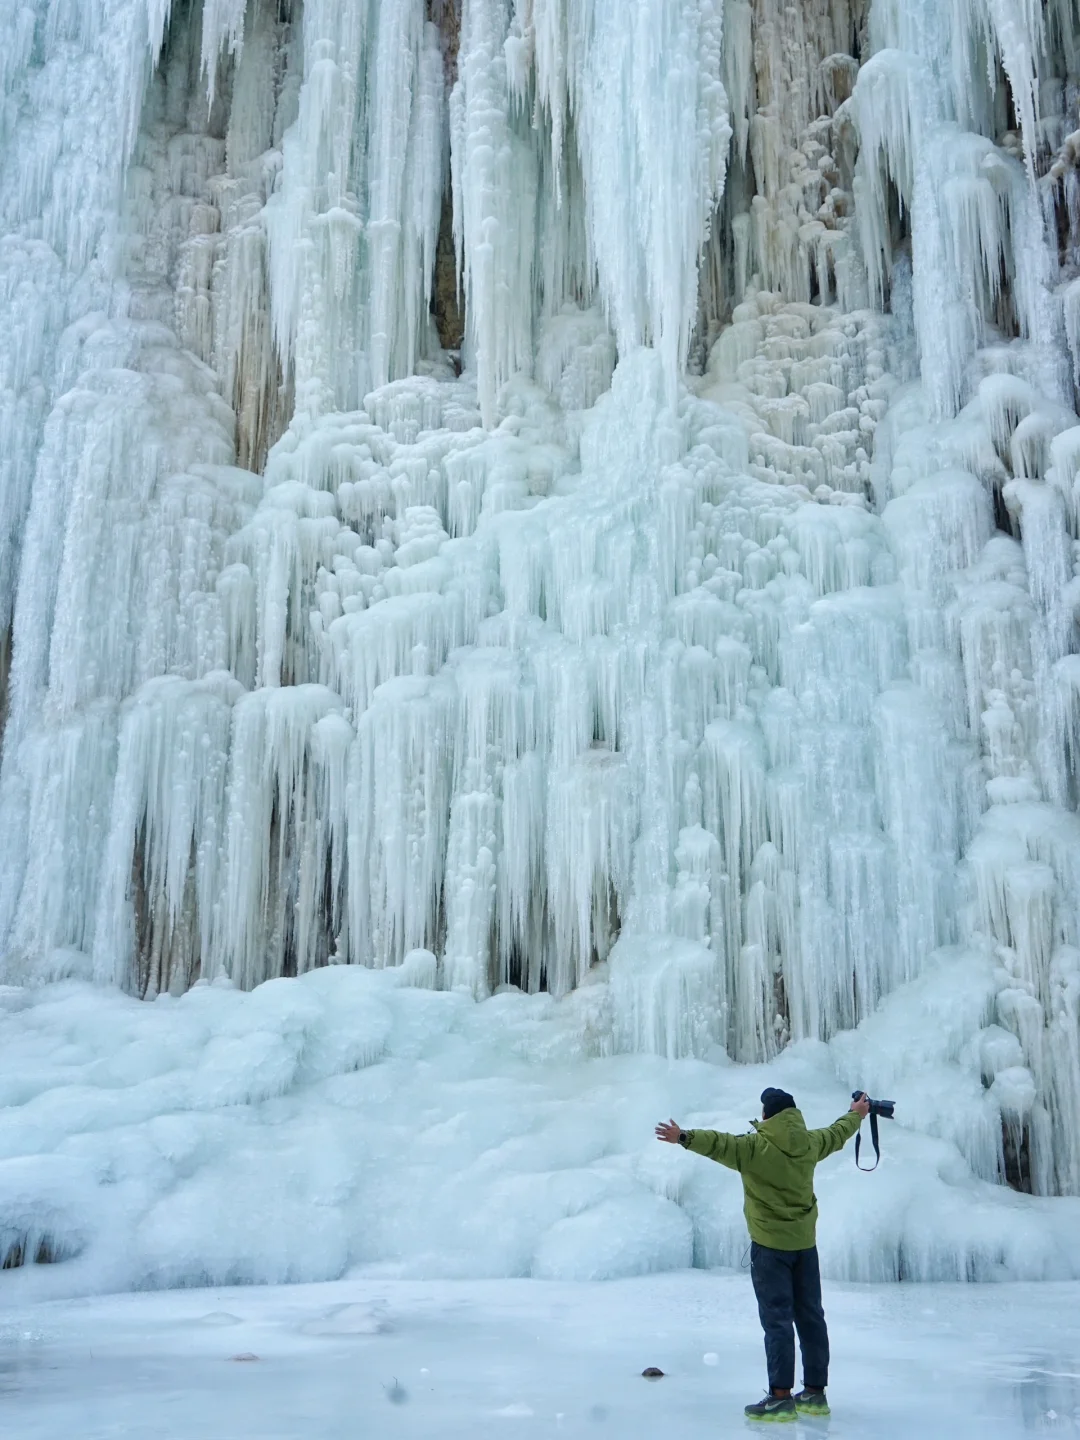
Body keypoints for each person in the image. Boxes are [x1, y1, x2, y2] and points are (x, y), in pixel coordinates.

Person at [655, 1087, 869, 1423]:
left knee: (777, 1320)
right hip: (805, 1247)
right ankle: (815, 1392)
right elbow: (837, 1133)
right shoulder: (810, 1143)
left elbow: (718, 1143)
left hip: (770, 1250)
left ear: (767, 1116)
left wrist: (683, 1136)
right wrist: (856, 1113)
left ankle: (780, 1397)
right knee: (811, 1317)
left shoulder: (754, 1148)